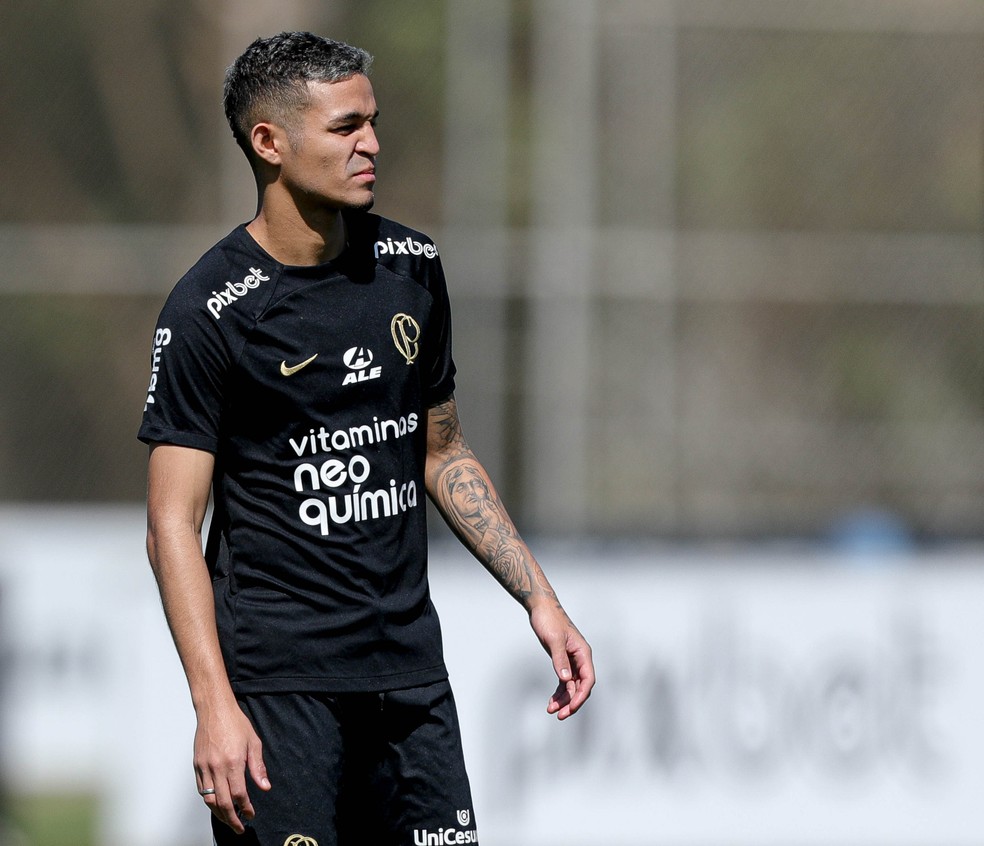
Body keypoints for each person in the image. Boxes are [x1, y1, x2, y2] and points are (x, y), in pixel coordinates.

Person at [139, 30, 594, 846]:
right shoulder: (210, 310)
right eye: (346, 127)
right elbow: (173, 522)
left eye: (372, 122)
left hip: (411, 680)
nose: (372, 144)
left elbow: (443, 450)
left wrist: (541, 599)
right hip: (280, 692)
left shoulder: (412, 268)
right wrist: (214, 706)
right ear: (269, 142)